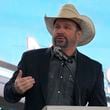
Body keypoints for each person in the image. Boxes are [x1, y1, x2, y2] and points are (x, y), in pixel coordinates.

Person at [4, 3, 107, 110]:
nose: (60, 31)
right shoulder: (31, 59)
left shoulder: (93, 69)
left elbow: (99, 107)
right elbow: (8, 94)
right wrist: (15, 89)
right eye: (57, 27)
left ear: (78, 34)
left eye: (67, 27)